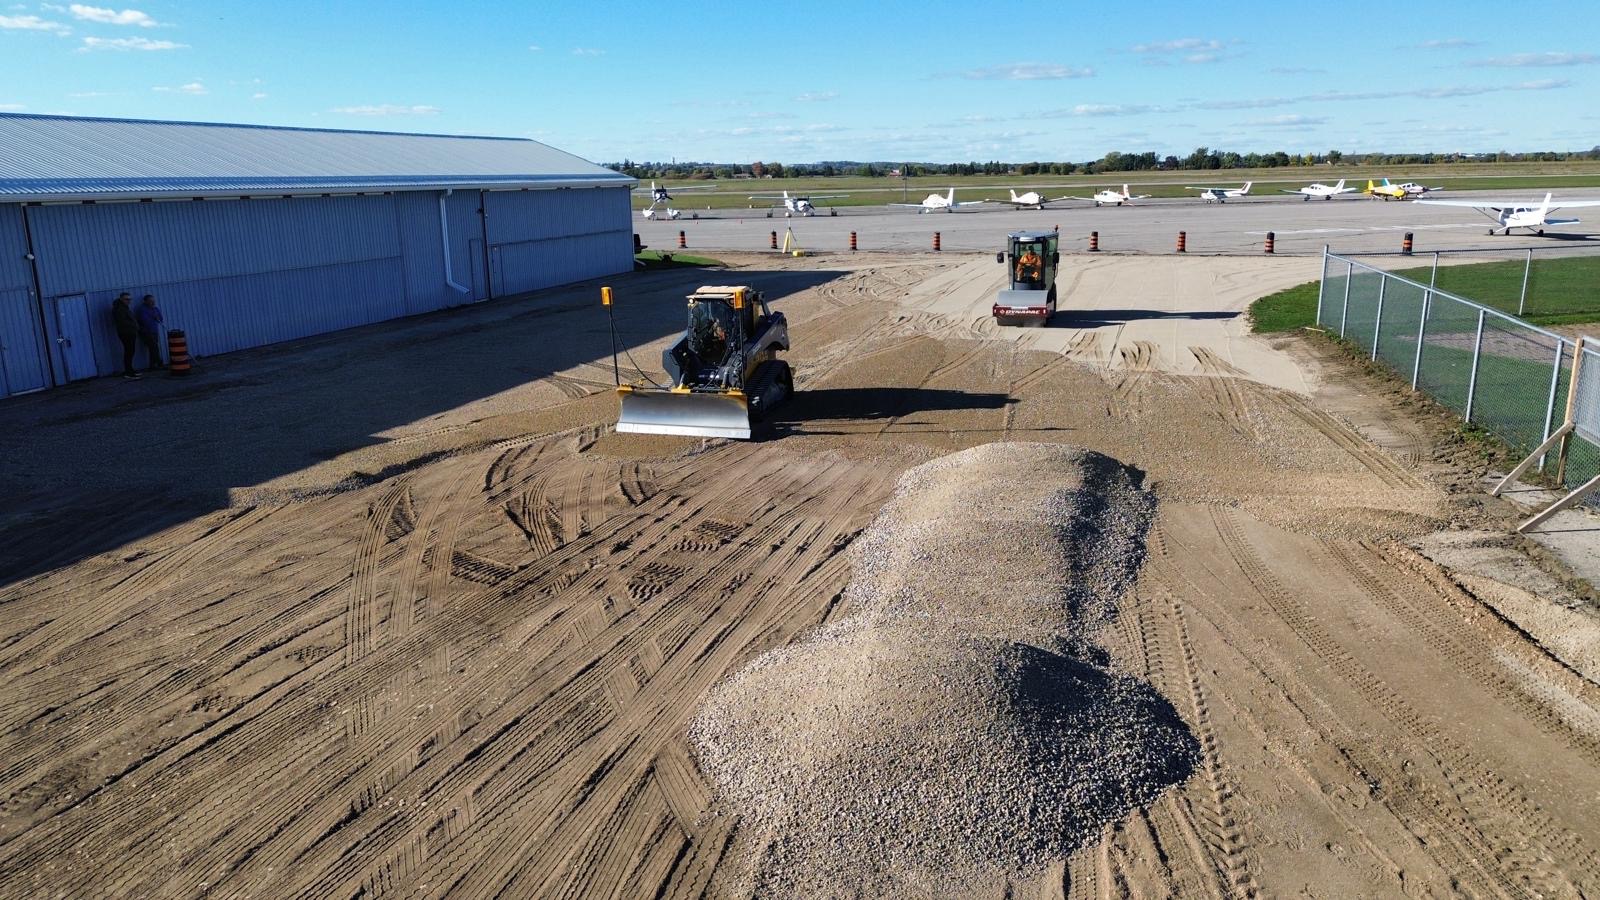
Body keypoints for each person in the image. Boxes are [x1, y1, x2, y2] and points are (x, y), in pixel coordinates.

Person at [111, 293, 140, 379]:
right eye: (126, 299)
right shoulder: (119, 309)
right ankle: (128, 372)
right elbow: (122, 321)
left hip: (129, 332)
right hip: (126, 333)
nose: (129, 301)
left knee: (130, 351)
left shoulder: (124, 308)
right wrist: (134, 325)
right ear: (121, 299)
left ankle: (130, 370)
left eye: (130, 299)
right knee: (129, 351)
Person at [135, 294, 164, 372]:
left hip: (154, 331)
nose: (152, 302)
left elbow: (160, 318)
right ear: (146, 301)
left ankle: (154, 364)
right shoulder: (142, 310)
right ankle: (156, 364)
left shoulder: (155, 309)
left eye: (153, 301)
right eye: (150, 301)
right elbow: (144, 321)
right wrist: (154, 316)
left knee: (154, 347)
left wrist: (156, 316)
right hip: (147, 332)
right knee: (153, 347)